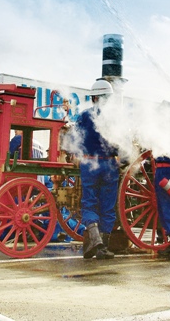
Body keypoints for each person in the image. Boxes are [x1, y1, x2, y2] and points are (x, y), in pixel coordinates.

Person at [75, 79, 120, 260]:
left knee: (89, 202)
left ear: (93, 97)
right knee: (108, 206)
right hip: (109, 164)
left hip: (89, 163)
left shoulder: (84, 116)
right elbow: (121, 143)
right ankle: (102, 247)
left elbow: (75, 139)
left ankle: (94, 241)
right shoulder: (116, 119)